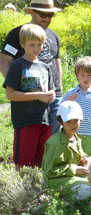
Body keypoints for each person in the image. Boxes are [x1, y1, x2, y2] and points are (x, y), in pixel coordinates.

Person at [0, 0, 63, 135]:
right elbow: (3, 60)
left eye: (50, 15)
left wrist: (59, 93)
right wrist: (17, 87)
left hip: (53, 99)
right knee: (31, 143)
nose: (47, 19)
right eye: (43, 14)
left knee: (54, 141)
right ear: (33, 12)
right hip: (29, 101)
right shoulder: (17, 34)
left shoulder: (54, 36)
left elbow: (57, 66)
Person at [3, 23, 55, 171]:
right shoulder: (17, 65)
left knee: (40, 162)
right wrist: (37, 96)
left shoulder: (45, 67)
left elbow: (49, 92)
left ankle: (37, 193)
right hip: (25, 121)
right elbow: (10, 94)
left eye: (39, 45)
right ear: (22, 44)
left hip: (44, 121)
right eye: (32, 44)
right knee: (22, 163)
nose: (36, 49)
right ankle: (21, 193)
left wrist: (50, 95)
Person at [42, 101, 91, 200]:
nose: (73, 125)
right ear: (60, 121)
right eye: (68, 121)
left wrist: (83, 158)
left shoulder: (76, 137)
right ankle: (63, 204)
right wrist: (74, 169)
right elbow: (48, 171)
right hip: (59, 181)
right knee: (86, 192)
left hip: (75, 174)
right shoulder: (55, 142)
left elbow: (79, 155)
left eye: (76, 120)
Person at [62, 56, 91, 156]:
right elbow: (60, 112)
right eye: (82, 75)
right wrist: (67, 101)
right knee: (74, 164)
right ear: (77, 75)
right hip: (73, 135)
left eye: (89, 75)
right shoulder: (71, 93)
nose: (85, 78)